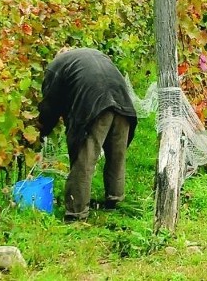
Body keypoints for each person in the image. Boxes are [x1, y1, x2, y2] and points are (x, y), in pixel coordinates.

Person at [36, 47, 138, 221]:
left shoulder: (56, 66)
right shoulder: (93, 54)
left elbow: (50, 105)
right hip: (123, 103)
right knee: (117, 156)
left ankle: (76, 212)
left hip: (95, 106)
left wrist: (40, 132)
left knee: (84, 160)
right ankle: (115, 201)